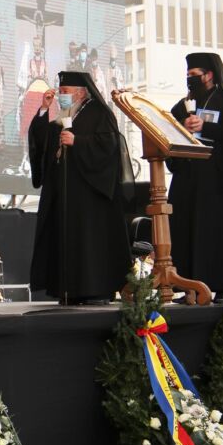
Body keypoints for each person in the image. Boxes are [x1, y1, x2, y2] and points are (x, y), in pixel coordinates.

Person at [28, 71, 132, 304]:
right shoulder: (65, 114)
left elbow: (109, 146)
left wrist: (78, 142)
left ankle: (95, 290)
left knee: (89, 244)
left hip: (90, 196)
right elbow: (43, 144)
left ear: (81, 92)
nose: (60, 96)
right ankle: (68, 290)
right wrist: (44, 111)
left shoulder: (99, 113)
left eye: (64, 92)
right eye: (60, 92)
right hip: (64, 194)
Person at [168, 52, 223, 303]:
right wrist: (181, 126)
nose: (190, 80)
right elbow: (171, 130)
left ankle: (222, 286)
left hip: (216, 179)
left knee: (215, 232)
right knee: (186, 229)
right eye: (187, 76)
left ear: (209, 75)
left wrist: (207, 127)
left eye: (194, 75)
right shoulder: (183, 105)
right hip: (188, 179)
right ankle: (190, 288)